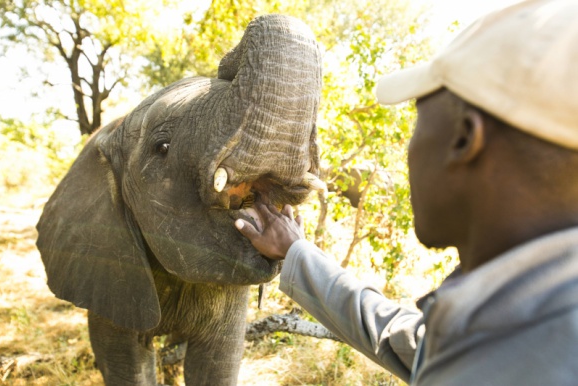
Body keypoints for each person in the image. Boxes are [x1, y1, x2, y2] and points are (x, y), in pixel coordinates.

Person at [235, 0, 578, 384]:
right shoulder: (513, 321)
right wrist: (297, 253)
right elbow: (410, 342)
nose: (409, 150)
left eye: (418, 119)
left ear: (464, 138)